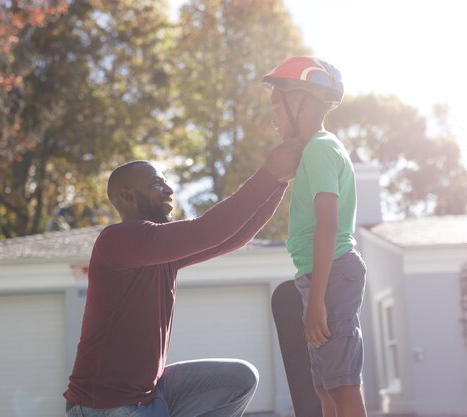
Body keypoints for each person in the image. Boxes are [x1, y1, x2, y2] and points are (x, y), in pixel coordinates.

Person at [63, 140, 303, 417]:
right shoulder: (117, 241)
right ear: (127, 197)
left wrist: (279, 183)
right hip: (104, 406)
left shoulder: (160, 252)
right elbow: (209, 229)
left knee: (239, 379)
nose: (169, 190)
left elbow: (234, 237)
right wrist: (267, 174)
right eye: (156, 184)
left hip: (149, 394)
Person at [262, 56, 368, 417]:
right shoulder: (314, 152)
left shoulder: (321, 149)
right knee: (324, 386)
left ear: (303, 103)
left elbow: (328, 225)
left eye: (277, 105)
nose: (273, 117)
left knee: (342, 386)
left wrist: (318, 301)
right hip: (320, 276)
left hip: (332, 274)